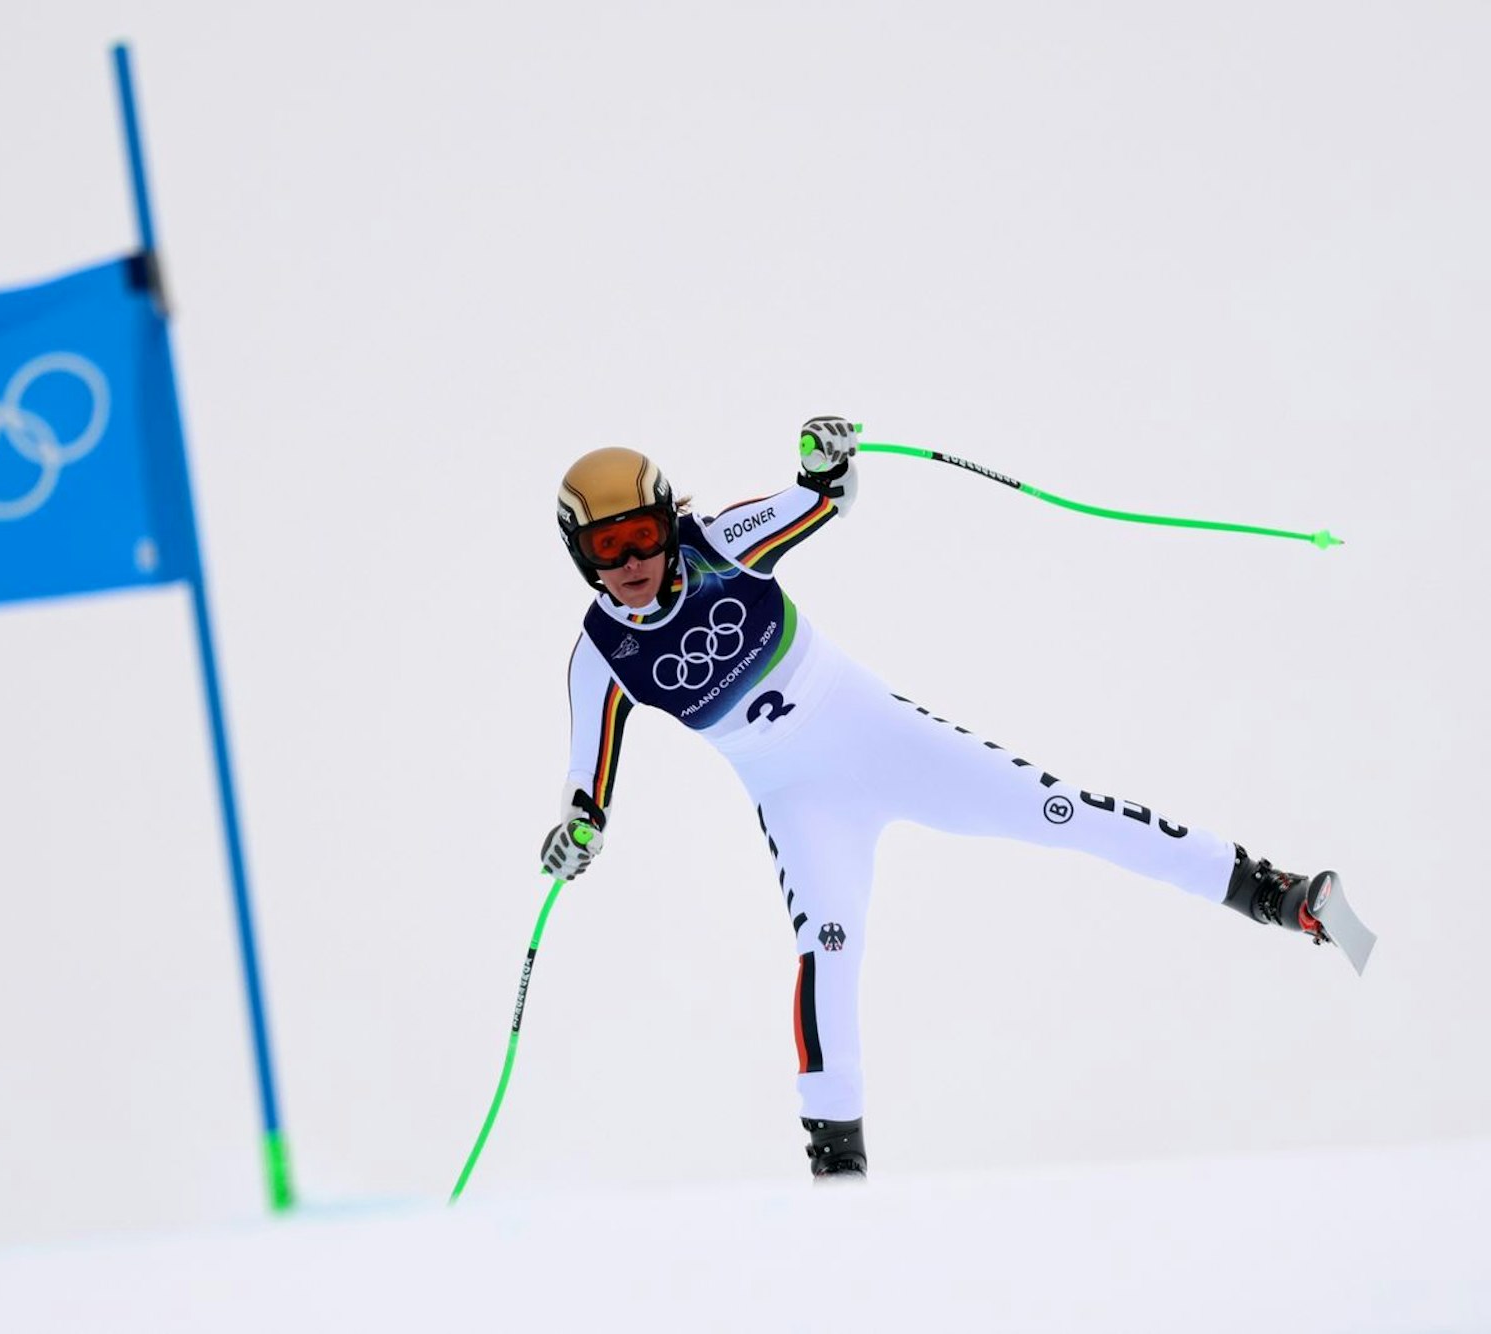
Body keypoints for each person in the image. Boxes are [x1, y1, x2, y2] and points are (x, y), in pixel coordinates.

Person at [542, 418, 1353, 1182]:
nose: (632, 561)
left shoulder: (717, 542)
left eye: (642, 535)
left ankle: (1273, 895)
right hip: (797, 798)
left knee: (1057, 810)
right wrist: (578, 832)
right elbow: (589, 785)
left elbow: (817, 499)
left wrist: (823, 464)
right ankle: (837, 1172)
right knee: (829, 948)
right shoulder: (601, 654)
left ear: (665, 521)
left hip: (884, 740)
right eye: (606, 548)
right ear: (583, 558)